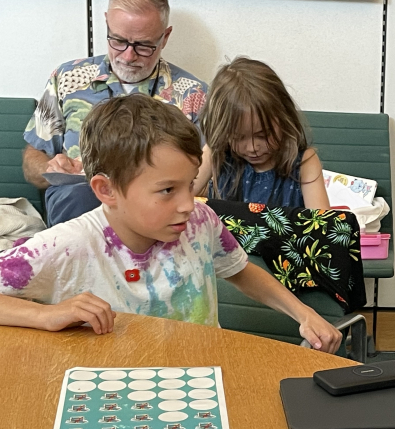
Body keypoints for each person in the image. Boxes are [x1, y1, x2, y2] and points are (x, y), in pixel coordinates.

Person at [0, 94, 341, 353]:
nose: (187, 205)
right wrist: (45, 316)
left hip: (201, 382)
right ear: (107, 189)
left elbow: (239, 269)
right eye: (166, 190)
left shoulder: (201, 221)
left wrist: (302, 313)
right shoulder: (66, 245)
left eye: (190, 184)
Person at [22, 0, 211, 226]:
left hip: (156, 209)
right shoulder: (68, 78)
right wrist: (51, 168)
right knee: (80, 197)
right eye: (118, 41)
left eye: (143, 46)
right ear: (106, 24)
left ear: (165, 37)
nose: (128, 56)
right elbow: (31, 162)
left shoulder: (194, 94)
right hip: (79, 204)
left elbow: (203, 179)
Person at [198, 57, 330, 209]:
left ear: (284, 118)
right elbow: (182, 193)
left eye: (263, 135)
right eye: (238, 138)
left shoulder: (304, 162)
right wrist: (211, 149)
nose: (252, 148)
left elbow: (323, 225)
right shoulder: (217, 154)